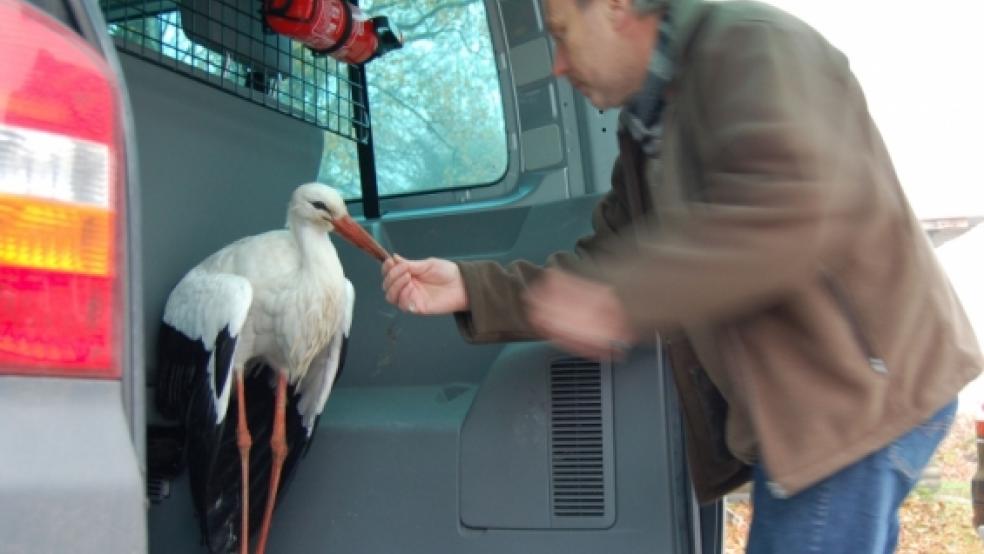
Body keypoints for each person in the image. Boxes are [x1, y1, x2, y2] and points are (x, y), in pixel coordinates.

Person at [380, 0, 983, 551]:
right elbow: (602, 266)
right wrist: (469, 286)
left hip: (854, 399)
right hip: (814, 411)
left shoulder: (753, 46)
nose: (559, 65)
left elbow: (792, 208)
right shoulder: (648, 129)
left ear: (616, 8)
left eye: (562, 35)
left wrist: (624, 300)